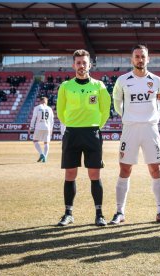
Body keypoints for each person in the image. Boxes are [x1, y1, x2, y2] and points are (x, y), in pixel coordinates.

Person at [109, 45, 160, 225]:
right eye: (137, 56)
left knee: (156, 169)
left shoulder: (157, 81)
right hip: (130, 129)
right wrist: (128, 117)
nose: (140, 60)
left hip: (150, 129)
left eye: (143, 56)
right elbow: (117, 103)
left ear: (148, 59)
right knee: (125, 168)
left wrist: (153, 119)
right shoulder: (122, 80)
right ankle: (119, 212)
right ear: (132, 59)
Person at [56, 49, 111, 227]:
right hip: (72, 133)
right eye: (78, 63)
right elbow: (60, 111)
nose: (81, 66)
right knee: (70, 174)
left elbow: (105, 110)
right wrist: (73, 124)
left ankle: (99, 214)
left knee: (94, 174)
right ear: (74, 65)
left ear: (90, 65)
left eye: (84, 63)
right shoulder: (65, 86)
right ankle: (68, 213)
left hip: (92, 133)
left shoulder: (99, 86)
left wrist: (95, 126)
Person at [28, 97, 54, 162]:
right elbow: (52, 120)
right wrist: (51, 129)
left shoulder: (37, 108)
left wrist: (31, 128)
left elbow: (33, 118)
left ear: (40, 101)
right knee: (46, 143)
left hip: (39, 127)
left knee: (35, 141)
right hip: (47, 127)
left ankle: (41, 154)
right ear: (45, 101)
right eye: (47, 100)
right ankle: (45, 157)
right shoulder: (49, 108)